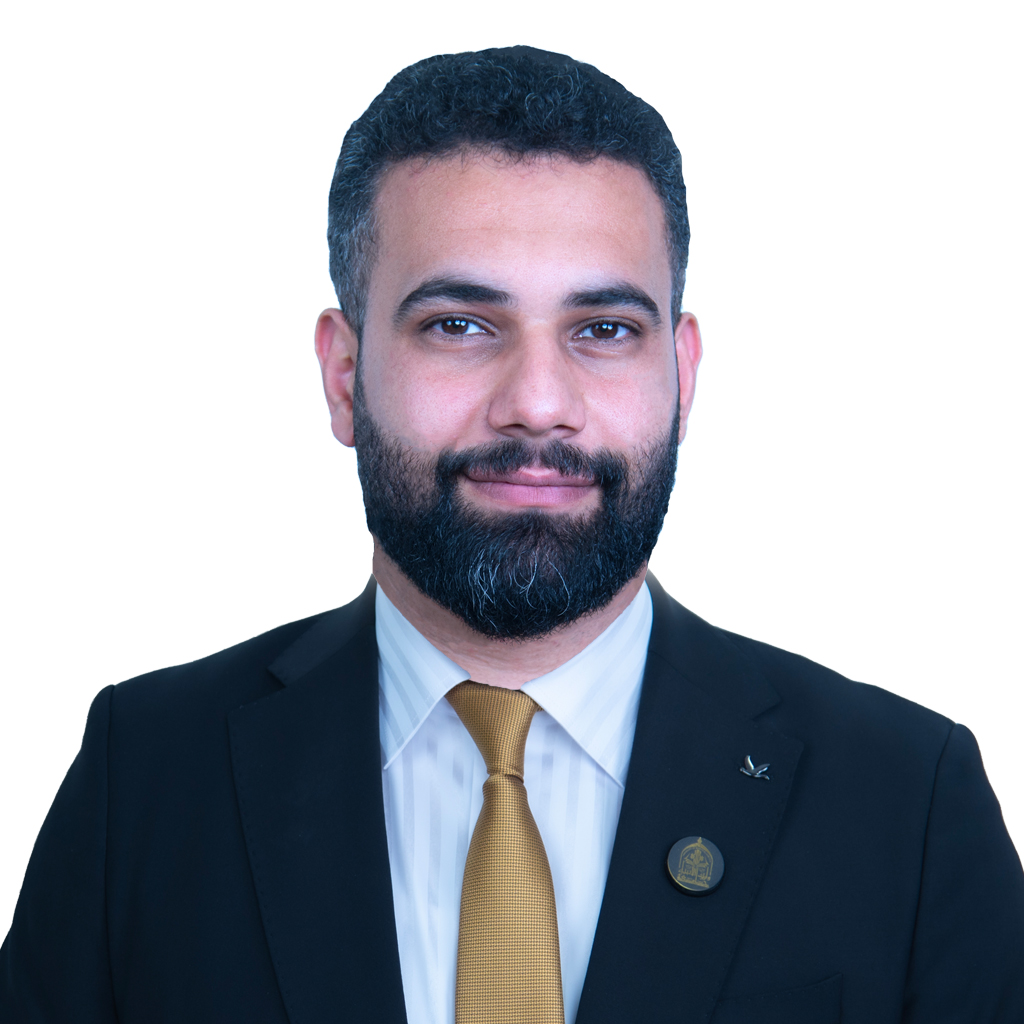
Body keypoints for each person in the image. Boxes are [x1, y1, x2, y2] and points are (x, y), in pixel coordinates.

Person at [1, 44, 1022, 1024]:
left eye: (604, 330)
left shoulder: (908, 804)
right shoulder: (144, 779)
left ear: (681, 373)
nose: (537, 403)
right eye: (458, 324)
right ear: (344, 375)